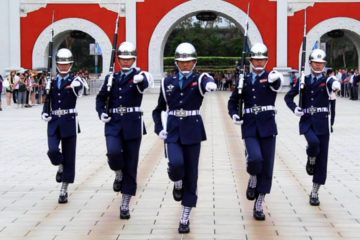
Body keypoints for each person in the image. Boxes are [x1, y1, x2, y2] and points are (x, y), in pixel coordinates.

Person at [152, 42, 217, 233]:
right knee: (176, 165)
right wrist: (158, 128)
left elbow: (206, 80)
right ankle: (177, 182)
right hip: (172, 130)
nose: (185, 65)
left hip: (192, 130)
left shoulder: (200, 79)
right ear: (176, 62)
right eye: (181, 62)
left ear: (195, 62)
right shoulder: (167, 82)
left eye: (188, 62)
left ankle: (185, 215)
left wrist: (210, 84)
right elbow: (158, 110)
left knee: (192, 174)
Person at [96, 41, 152, 220]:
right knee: (113, 153)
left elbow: (147, 83)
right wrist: (101, 112)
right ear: (118, 60)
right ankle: (117, 173)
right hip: (113, 122)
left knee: (131, 164)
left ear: (134, 59)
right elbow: (101, 97)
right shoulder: (111, 77)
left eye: (129, 59)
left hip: (132, 123)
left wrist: (142, 79)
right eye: (123, 59)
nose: (126, 62)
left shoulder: (139, 75)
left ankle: (125, 203)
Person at [227, 42, 283, 221]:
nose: (259, 62)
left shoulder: (272, 76)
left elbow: (278, 84)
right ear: (250, 60)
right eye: (256, 59)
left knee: (266, 167)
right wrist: (235, 114)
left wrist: (277, 78)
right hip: (250, 125)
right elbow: (232, 101)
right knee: (255, 159)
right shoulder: (244, 79)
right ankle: (252, 177)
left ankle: (259, 203)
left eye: (262, 59)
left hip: (267, 126)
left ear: (266, 60)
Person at [284, 48, 340, 206]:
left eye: (321, 64)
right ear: (310, 64)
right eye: (315, 63)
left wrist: (336, 85)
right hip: (307, 121)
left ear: (325, 65)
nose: (318, 66)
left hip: (322, 122)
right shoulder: (304, 80)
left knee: (322, 160)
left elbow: (333, 84)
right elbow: (288, 97)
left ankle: (315, 191)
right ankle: (311, 157)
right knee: (313, 144)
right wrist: (295, 108)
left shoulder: (327, 80)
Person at [41, 48, 87, 204]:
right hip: (54, 121)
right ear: (57, 65)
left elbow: (82, 88)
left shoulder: (76, 79)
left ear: (71, 64)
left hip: (69, 120)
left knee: (69, 156)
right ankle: (59, 164)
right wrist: (45, 111)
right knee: (52, 150)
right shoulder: (52, 81)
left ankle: (64, 190)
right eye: (60, 64)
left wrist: (77, 84)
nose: (63, 67)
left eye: (66, 64)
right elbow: (48, 99)